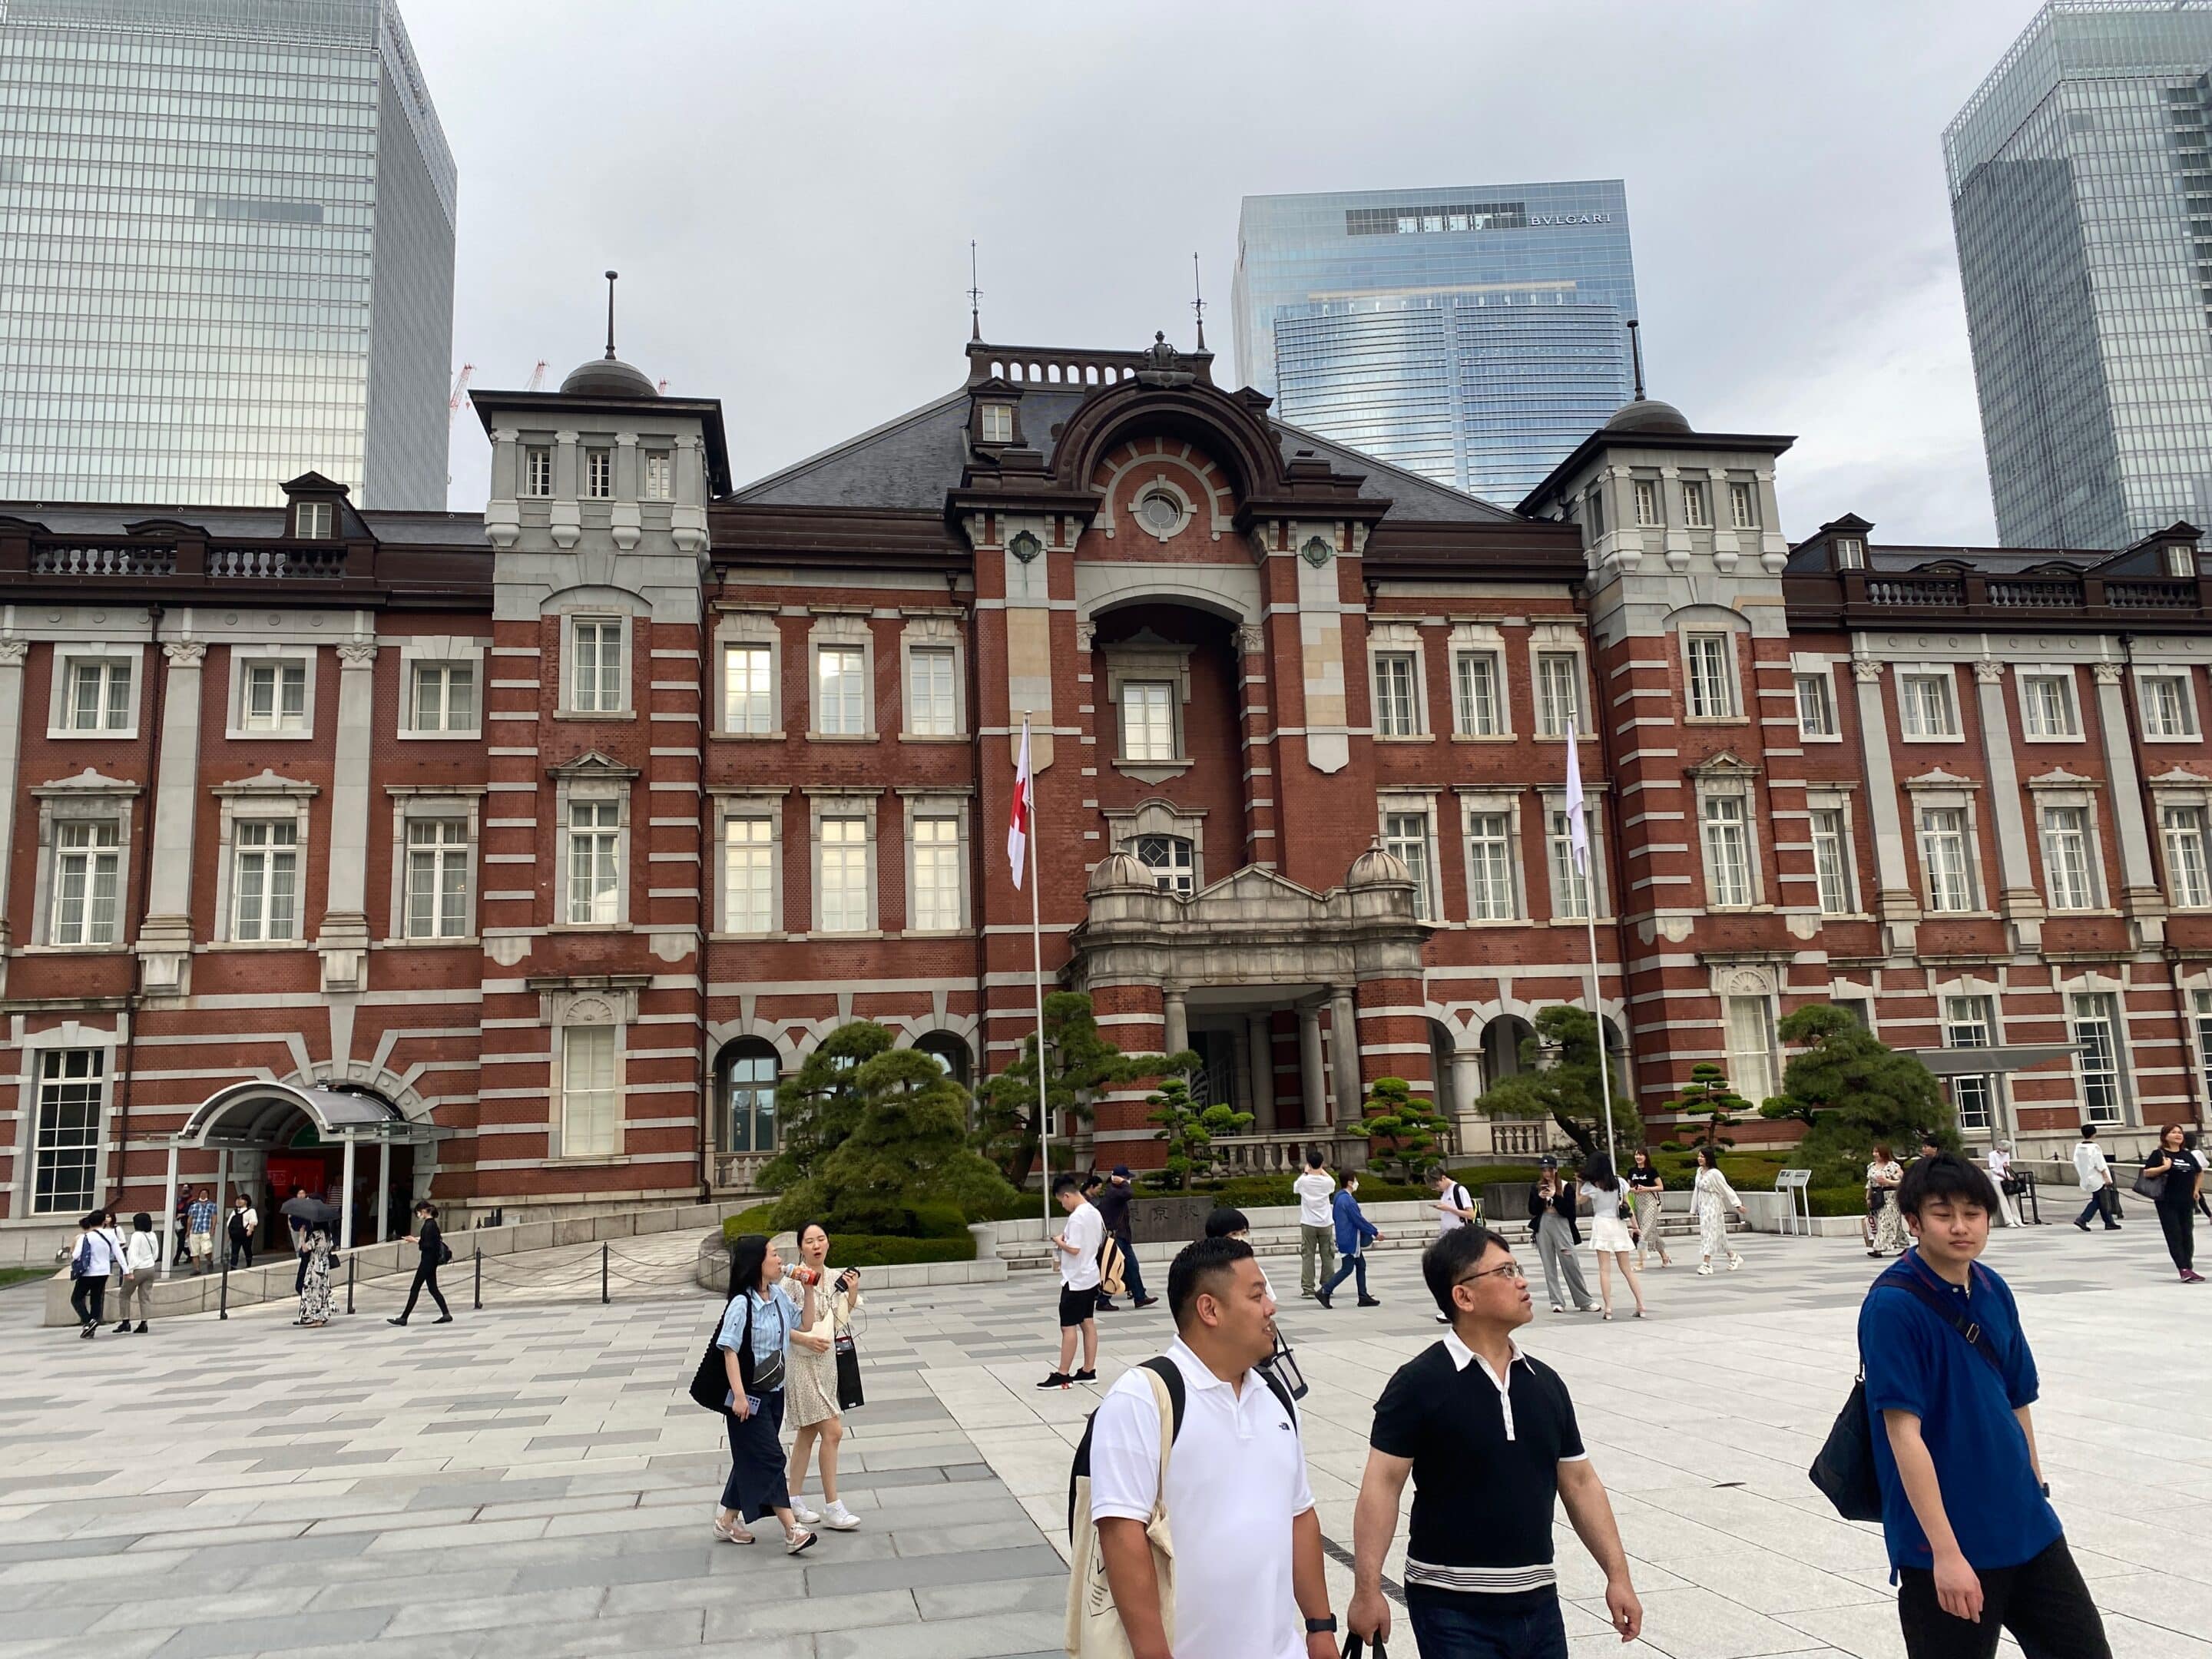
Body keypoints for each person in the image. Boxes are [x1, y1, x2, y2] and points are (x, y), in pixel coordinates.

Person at [1349, 1224, 1642, 1657]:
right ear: (1463, 1297)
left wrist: (1618, 1576)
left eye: (1517, 1268)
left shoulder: (1544, 1384)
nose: (1522, 1281)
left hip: (1539, 1599)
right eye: (1504, 1272)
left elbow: (1580, 1483)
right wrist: (1367, 1590)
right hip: (1451, 1607)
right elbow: (1382, 1486)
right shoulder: (1418, 1383)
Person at [1860, 1153, 2111, 1658]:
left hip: (2026, 1526)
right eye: (1942, 1214)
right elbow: (1902, 1433)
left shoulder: (1993, 1287)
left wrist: (2035, 1485)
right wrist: (1945, 1555)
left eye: (1973, 1213)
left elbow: (2018, 1397)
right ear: (1914, 1221)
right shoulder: (1893, 1306)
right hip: (1948, 1538)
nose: (1961, 1227)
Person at [1087, 1234, 1339, 1659]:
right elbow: (1121, 1533)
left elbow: (1299, 1515)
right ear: (1210, 1309)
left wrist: (1320, 1628)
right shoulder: (1144, 1398)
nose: (1270, 1307)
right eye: (1257, 1295)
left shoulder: (1276, 1397)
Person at [712, 1232, 819, 1555]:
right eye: (772, 1254)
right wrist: (740, 1396)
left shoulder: (778, 1295)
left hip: (775, 1394)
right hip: (749, 1398)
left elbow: (807, 1324)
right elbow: (729, 1351)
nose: (778, 1260)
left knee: (751, 1457)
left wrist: (808, 1289)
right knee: (772, 1458)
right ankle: (792, 1529)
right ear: (757, 1262)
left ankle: (727, 1521)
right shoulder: (742, 1304)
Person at [785, 1221, 863, 1532]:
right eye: (809, 1241)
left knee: (807, 1432)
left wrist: (853, 1290)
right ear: (801, 1247)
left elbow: (842, 1317)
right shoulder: (792, 1282)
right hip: (802, 1364)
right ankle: (833, 1506)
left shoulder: (835, 1278)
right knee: (833, 1431)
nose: (816, 1245)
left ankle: (792, 1499)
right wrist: (803, 1340)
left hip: (827, 1363)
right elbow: (779, 1323)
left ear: (828, 1243)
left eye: (821, 1240)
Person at [1040, 1173, 1104, 1389]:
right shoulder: (1094, 1212)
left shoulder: (1077, 1217)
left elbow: (1075, 1248)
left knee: (1068, 1327)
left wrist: (1059, 1241)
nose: (1063, 1206)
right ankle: (1088, 1370)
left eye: (1061, 1202)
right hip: (1090, 1275)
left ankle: (1063, 1373)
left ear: (1067, 1196)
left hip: (1076, 1279)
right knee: (1087, 1322)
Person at [1580, 1153, 1647, 1321]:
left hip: (1602, 1224)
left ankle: (1608, 1308)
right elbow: (1627, 1205)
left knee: (1604, 1269)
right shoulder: (1619, 1182)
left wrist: (1578, 1183)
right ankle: (1641, 1304)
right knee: (1627, 1269)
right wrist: (1635, 1225)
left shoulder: (1592, 1184)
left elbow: (1579, 1201)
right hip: (1618, 1225)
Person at [2141, 1124, 2205, 1283]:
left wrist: (2196, 1190)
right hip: (2167, 1201)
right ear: (2165, 1136)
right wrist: (2164, 1167)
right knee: (2174, 1234)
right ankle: (2183, 1268)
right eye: (2174, 1132)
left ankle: (2188, 1267)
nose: (2178, 1135)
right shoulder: (2159, 1154)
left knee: (2187, 1234)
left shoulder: (2187, 1155)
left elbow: (2199, 1172)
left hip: (2186, 1201)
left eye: (2180, 1133)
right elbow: (2147, 1172)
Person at [1528, 1158, 1594, 1314]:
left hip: (1562, 1223)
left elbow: (1570, 1212)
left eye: (1549, 1170)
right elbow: (1532, 1209)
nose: (1547, 1173)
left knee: (1570, 1261)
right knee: (1548, 1264)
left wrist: (1556, 1197)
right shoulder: (1536, 1187)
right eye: (1544, 1170)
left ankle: (1584, 1300)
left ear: (1556, 1170)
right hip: (1544, 1223)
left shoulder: (1565, 1186)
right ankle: (1556, 1301)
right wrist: (1540, 1198)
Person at [1091, 1165, 1157, 1313]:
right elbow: (1129, 1193)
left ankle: (1140, 1297)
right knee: (1114, 1268)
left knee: (1132, 1266)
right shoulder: (1114, 1192)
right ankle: (1103, 1300)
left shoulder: (1115, 1191)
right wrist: (1122, 1182)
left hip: (1122, 1236)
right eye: (1127, 1178)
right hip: (1116, 1237)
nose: (1129, 1181)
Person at [1318, 1171, 1382, 1309]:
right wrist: (1374, 1232)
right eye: (1355, 1180)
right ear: (1350, 1183)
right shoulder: (1348, 1200)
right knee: (1347, 1268)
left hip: (1346, 1237)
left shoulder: (1339, 1198)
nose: (1357, 1183)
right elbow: (1358, 1220)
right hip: (1350, 1239)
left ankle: (1363, 1296)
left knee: (1361, 1265)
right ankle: (1325, 1290)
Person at [387, 1200, 452, 1326]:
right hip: (431, 1261)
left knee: (415, 1288)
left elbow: (427, 1245)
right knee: (433, 1289)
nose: (417, 1215)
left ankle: (404, 1318)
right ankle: (446, 1313)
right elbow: (430, 1242)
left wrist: (415, 1241)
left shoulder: (429, 1225)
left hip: (427, 1261)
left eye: (418, 1212)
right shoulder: (432, 1224)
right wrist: (416, 1240)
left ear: (423, 1211)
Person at [67, 1212, 123, 1338]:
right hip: (104, 1271)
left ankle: (88, 1321)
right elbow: (118, 1254)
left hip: (88, 1272)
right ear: (104, 1222)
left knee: (76, 1298)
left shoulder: (85, 1237)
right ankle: (92, 1327)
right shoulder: (110, 1235)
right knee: (96, 1299)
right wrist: (126, 1270)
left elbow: (76, 1255)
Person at [1692, 1144, 1745, 1274]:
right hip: (1703, 1206)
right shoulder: (1699, 1172)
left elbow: (1726, 1188)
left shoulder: (1715, 1173)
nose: (1700, 1159)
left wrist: (1737, 1204)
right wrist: (1694, 1208)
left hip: (1713, 1206)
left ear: (1708, 1158)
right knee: (1718, 1235)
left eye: (1703, 1157)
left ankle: (1706, 1263)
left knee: (1709, 1234)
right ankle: (1733, 1256)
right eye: (1699, 1156)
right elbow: (1696, 1190)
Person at [1293, 1149, 1336, 1299]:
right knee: (1328, 1255)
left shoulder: (1303, 1181)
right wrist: (1321, 1171)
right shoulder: (1328, 1182)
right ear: (1322, 1163)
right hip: (1325, 1222)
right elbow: (1333, 1183)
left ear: (1309, 1164)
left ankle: (1308, 1288)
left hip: (1308, 1222)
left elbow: (1296, 1188)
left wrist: (1306, 1172)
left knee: (1308, 1255)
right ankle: (1327, 1285)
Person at [112, 1214, 160, 1334]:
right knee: (145, 1297)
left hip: (138, 1268)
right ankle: (144, 1323)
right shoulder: (152, 1235)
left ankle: (125, 1321)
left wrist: (130, 1271)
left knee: (124, 1294)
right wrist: (151, 1261)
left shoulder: (136, 1235)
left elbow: (132, 1253)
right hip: (150, 1267)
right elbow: (156, 1253)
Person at [1627, 1150, 1673, 1268]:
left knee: (1643, 1233)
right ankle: (1665, 1257)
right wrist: (1634, 1190)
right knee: (1652, 1233)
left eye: (1641, 1155)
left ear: (1646, 1157)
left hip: (1650, 1202)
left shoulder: (1652, 1171)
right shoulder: (1632, 1171)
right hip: (1638, 1202)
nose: (1638, 1157)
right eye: (1636, 1154)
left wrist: (1646, 1188)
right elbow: (1627, 1188)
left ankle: (1640, 1262)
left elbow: (1661, 1187)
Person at [2070, 1126, 2118, 1232]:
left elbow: (2076, 1162)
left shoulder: (2079, 1148)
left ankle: (2109, 1222)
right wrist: (2106, 1176)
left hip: (2087, 1176)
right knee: (2100, 1200)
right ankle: (2083, 1219)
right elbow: (2099, 1163)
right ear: (2094, 1134)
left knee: (2100, 1199)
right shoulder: (2094, 1148)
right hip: (2097, 1177)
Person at [1867, 1144, 1907, 1258]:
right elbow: (1869, 1183)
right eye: (1874, 1152)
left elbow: (1901, 1181)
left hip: (1890, 1196)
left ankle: (1878, 1248)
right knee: (1894, 1223)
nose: (1875, 1154)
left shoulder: (1893, 1166)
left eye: (1877, 1152)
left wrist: (1887, 1181)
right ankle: (1904, 1244)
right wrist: (1868, 1197)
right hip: (1877, 1195)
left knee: (1884, 1221)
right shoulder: (1871, 1167)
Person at [296, 1219, 334, 1328]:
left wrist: (302, 1235)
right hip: (325, 1264)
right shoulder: (328, 1235)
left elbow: (305, 1249)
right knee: (322, 1291)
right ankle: (322, 1316)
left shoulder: (316, 1234)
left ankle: (315, 1317)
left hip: (315, 1264)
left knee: (314, 1292)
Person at [1982, 1144, 2021, 1229]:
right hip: (1997, 1178)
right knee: (2002, 1199)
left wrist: (2007, 1169)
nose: (2005, 1153)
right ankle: (2009, 1221)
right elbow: (1993, 1169)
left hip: (2007, 1178)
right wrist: (2004, 1176)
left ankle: (2017, 1219)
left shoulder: (2006, 1155)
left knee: (2012, 1198)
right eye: (2004, 1151)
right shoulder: (1992, 1155)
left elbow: (2007, 1166)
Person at [184, 1187, 216, 1274]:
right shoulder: (194, 1206)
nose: (203, 1195)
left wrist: (213, 1228)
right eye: (202, 1193)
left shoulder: (212, 1205)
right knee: (194, 1251)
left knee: (207, 1250)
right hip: (194, 1231)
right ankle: (197, 1269)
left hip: (205, 1230)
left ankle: (209, 1261)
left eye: (205, 1193)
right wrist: (188, 1230)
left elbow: (214, 1217)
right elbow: (190, 1219)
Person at [226, 1194, 257, 1269]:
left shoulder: (251, 1211)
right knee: (235, 1250)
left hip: (246, 1233)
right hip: (236, 1234)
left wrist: (250, 1230)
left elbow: (253, 1221)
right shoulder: (235, 1211)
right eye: (239, 1199)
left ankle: (248, 1263)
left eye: (242, 1199)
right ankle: (233, 1266)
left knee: (247, 1249)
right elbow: (229, 1223)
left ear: (246, 1201)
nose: (240, 1201)